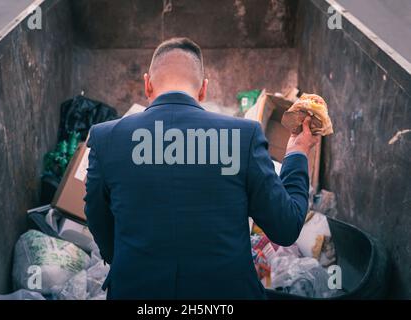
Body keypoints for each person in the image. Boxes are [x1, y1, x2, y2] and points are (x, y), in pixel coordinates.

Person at [84, 37, 318, 299]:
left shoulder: (106, 138)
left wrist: (131, 261)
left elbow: (97, 217)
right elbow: (285, 227)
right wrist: (298, 152)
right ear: (203, 90)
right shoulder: (243, 136)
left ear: (147, 84)